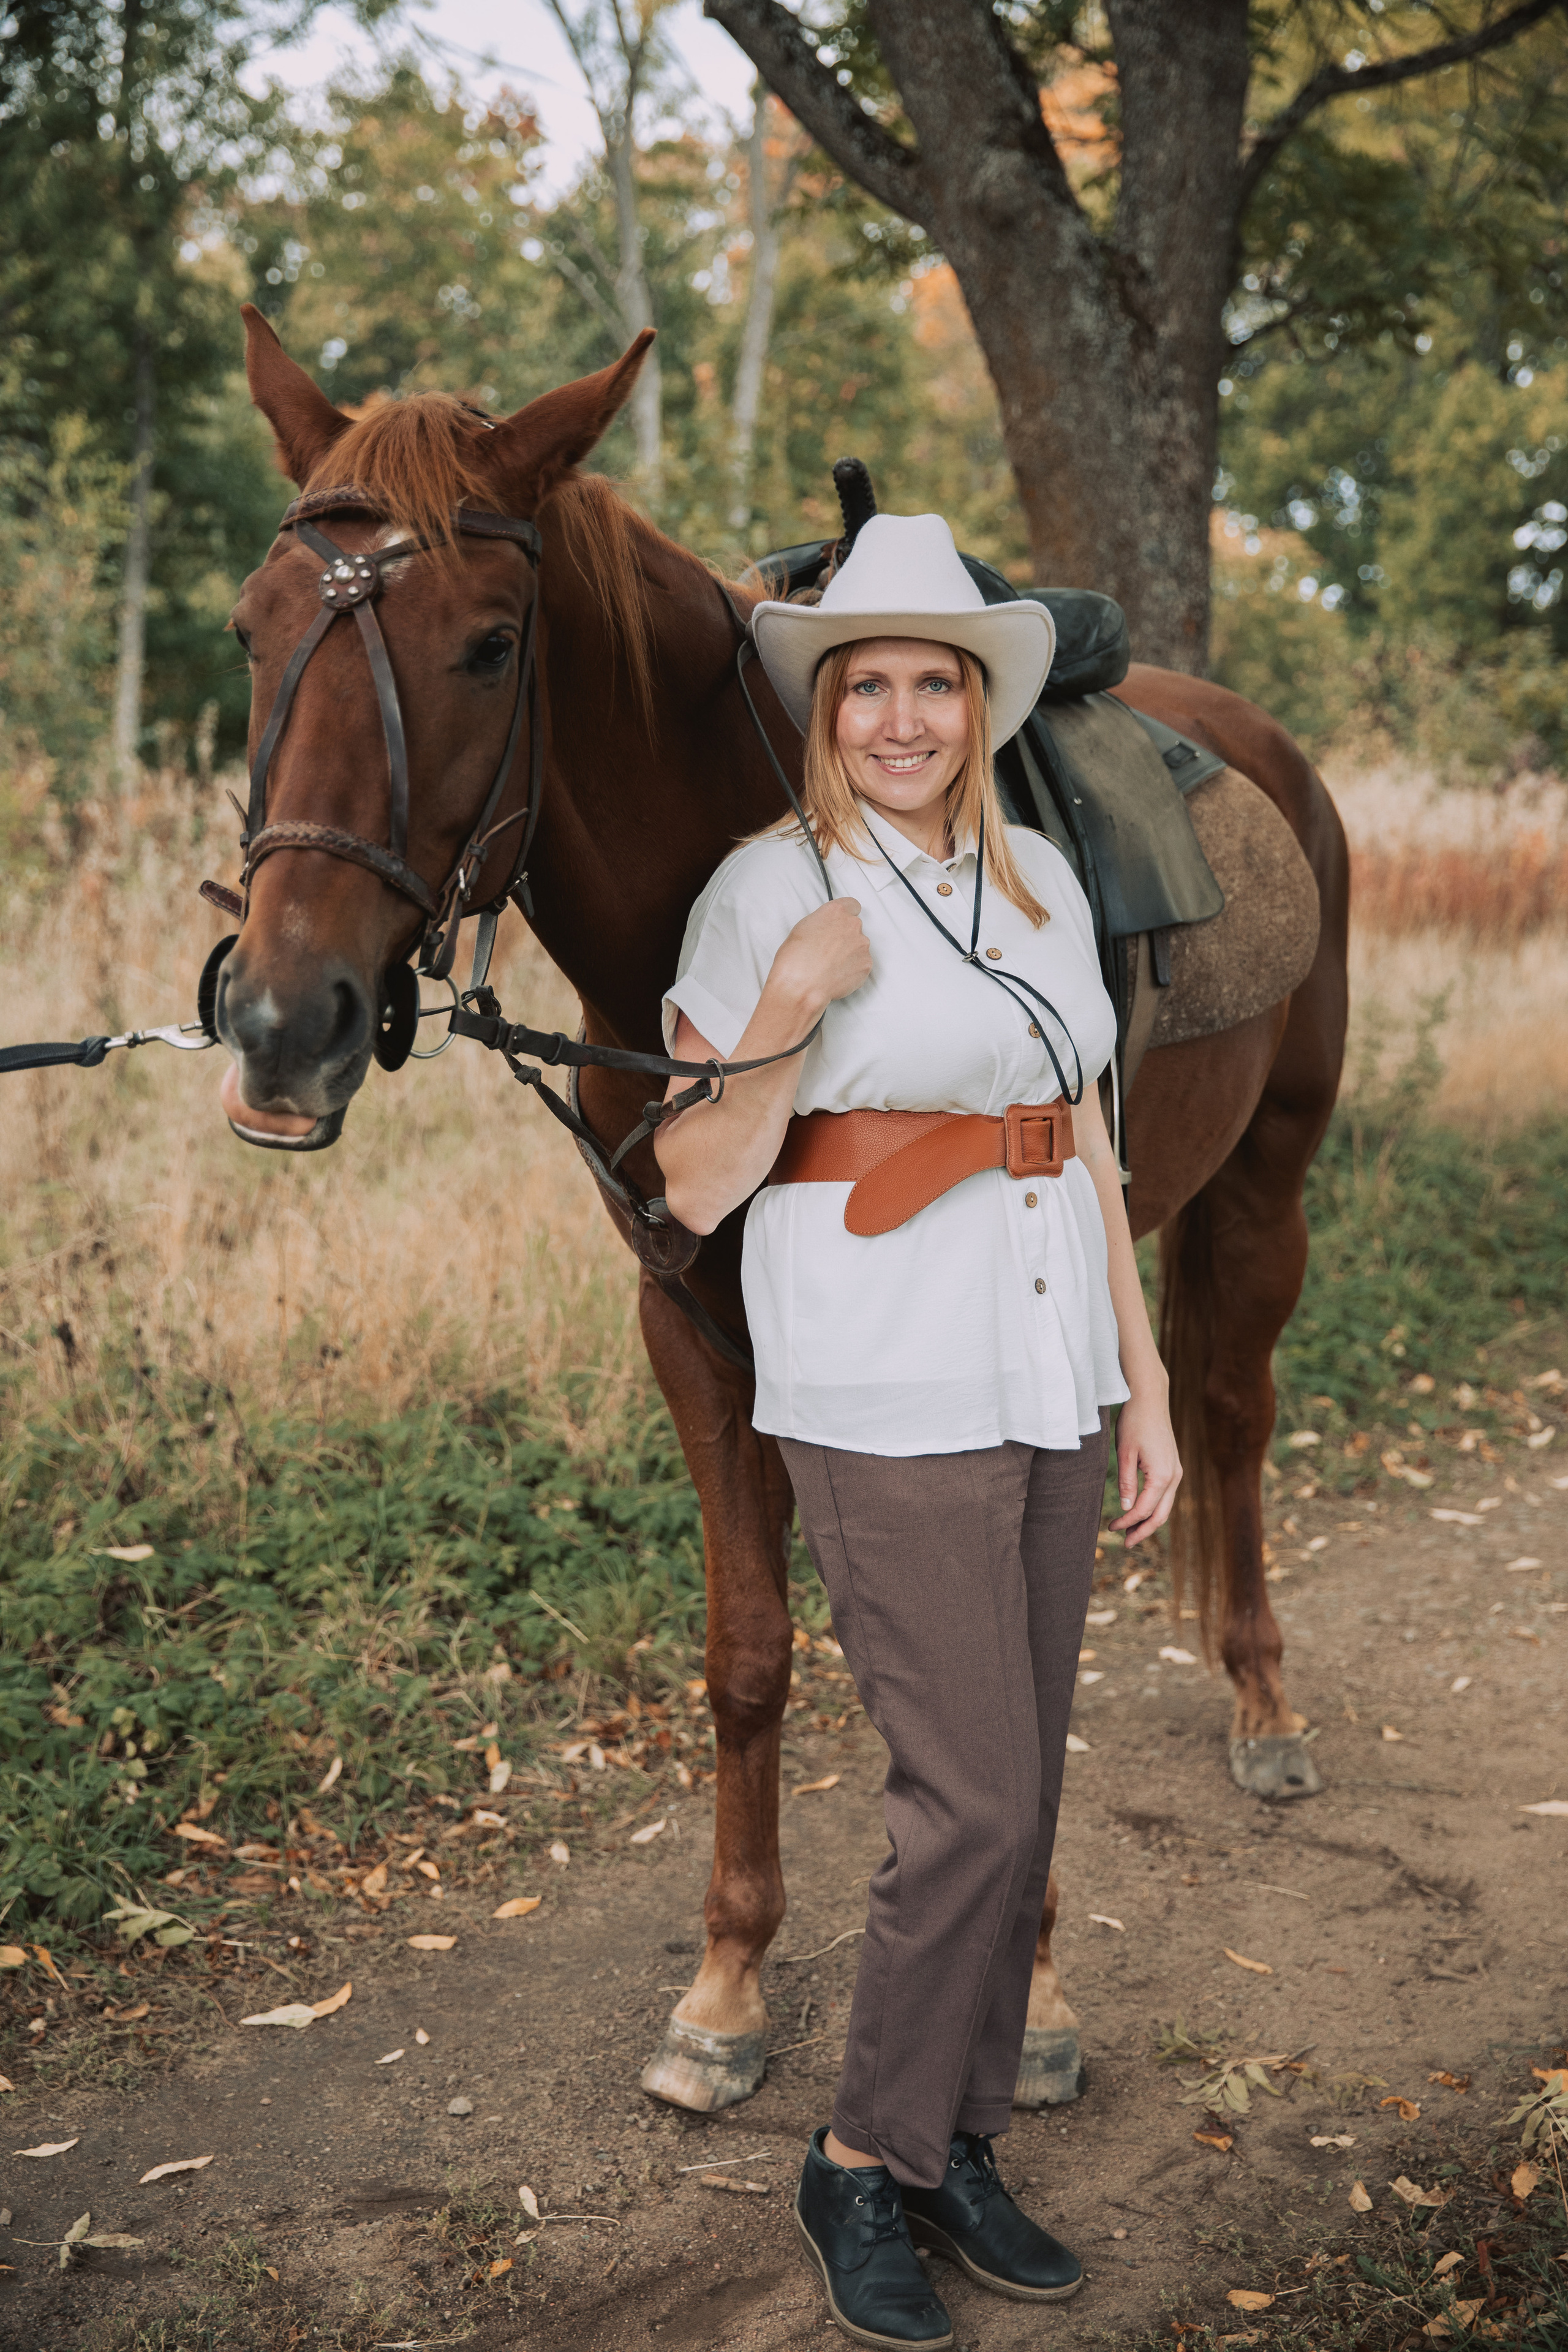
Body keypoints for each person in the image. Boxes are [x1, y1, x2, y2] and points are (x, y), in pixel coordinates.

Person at [654, 513, 1180, 2351]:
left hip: (1048, 1369)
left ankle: (957, 2136)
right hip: (885, 1384)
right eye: (865, 683)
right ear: (831, 708)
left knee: (1019, 1797)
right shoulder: (763, 893)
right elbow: (699, 1180)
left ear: (976, 705)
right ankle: (860, 2159)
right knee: (965, 1800)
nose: (898, 716)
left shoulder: (1035, 871)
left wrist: (1152, 1382)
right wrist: (788, 1015)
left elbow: (1089, 1135)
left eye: (931, 684)